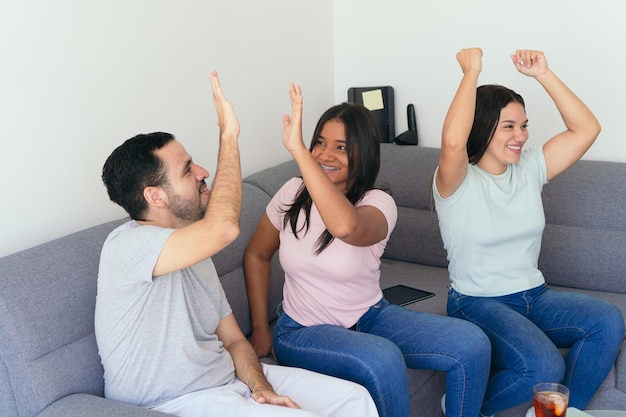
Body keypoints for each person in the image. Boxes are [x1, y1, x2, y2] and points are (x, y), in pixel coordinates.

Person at [95, 71, 379, 417]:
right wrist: (228, 136)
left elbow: (232, 340)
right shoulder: (127, 245)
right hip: (176, 400)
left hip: (229, 381)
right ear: (155, 196)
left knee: (355, 399)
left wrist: (260, 387)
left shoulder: (193, 249)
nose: (202, 171)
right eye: (187, 170)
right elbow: (225, 228)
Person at [243, 83, 491, 417]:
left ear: (363, 153)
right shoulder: (291, 194)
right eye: (319, 143)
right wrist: (260, 328)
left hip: (372, 316)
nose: (325, 154)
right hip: (302, 332)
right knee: (383, 359)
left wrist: (301, 154)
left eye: (341, 147)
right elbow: (257, 255)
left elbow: (346, 227)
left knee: (472, 344)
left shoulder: (378, 202)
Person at [433, 48, 625, 416]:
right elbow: (454, 143)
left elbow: (587, 129)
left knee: (606, 319)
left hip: (534, 296)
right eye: (509, 126)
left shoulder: (530, 167)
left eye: (524, 125)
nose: (520, 135)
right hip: (477, 302)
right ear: (482, 127)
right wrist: (470, 72)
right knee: (543, 366)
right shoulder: (456, 182)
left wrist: (544, 74)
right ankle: (468, 403)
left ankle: (564, 413)